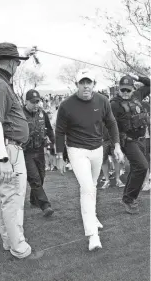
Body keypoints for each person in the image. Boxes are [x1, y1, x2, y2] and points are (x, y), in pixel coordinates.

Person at [0, 42, 43, 259]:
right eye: (17, 62)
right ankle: (19, 247)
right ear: (10, 62)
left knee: (4, 197)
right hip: (7, 147)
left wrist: (25, 55)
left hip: (4, 146)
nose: (18, 66)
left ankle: (10, 242)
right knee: (12, 199)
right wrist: (4, 158)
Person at [55, 69, 124, 251]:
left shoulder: (102, 100)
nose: (86, 86)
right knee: (86, 188)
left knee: (92, 186)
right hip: (76, 150)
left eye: (89, 82)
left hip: (97, 148)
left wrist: (117, 145)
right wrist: (58, 156)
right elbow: (59, 131)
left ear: (94, 84)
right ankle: (93, 235)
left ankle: (92, 216)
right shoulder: (66, 105)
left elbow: (111, 123)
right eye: (82, 82)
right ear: (77, 84)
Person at [110, 73, 150, 213]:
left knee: (136, 168)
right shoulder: (114, 105)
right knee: (142, 167)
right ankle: (129, 199)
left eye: (128, 89)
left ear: (133, 89)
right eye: (123, 90)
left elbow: (149, 84)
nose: (125, 93)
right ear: (118, 89)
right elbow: (110, 126)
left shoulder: (137, 96)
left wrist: (137, 77)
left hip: (140, 139)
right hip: (127, 141)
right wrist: (115, 147)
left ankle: (127, 197)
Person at [23, 89, 55, 216]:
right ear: (26, 102)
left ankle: (33, 200)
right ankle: (45, 205)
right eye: (33, 102)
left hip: (40, 149)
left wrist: (53, 143)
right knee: (34, 178)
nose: (36, 104)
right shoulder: (19, 114)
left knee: (41, 176)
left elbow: (49, 129)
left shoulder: (42, 114)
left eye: (37, 102)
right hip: (26, 151)